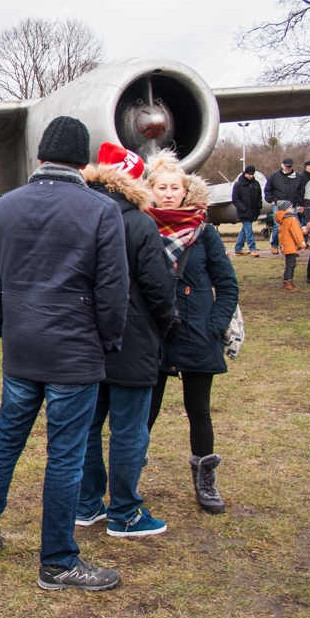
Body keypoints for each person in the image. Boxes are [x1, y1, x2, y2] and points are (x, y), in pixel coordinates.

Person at [0, 116, 128, 592]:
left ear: (40, 156)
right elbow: (113, 289)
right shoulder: (100, 210)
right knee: (65, 456)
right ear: (83, 161)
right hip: (74, 352)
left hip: (23, 346)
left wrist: (3, 324)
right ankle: (57, 560)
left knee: (6, 442)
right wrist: (107, 340)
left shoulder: (3, 208)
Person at [77, 143, 177, 538]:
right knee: (130, 428)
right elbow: (158, 286)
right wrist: (165, 323)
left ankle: (86, 503)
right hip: (132, 337)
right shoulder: (138, 222)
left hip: (85, 338)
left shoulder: (79, 216)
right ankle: (125, 512)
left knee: (87, 425)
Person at [145, 153, 239, 514]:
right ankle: (128, 478)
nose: (169, 194)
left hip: (198, 333)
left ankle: (205, 480)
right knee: (144, 412)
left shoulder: (205, 233)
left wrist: (214, 326)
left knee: (198, 410)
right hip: (157, 336)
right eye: (162, 188)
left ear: (186, 192)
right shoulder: (142, 228)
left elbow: (227, 284)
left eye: (175, 188)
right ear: (150, 190)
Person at [265, 158, 304, 253]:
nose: (287, 168)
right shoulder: (274, 176)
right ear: (282, 165)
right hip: (278, 204)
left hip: (292, 205)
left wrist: (301, 203)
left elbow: (301, 191)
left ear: (292, 166)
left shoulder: (297, 177)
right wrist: (271, 200)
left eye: (289, 166)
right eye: (286, 166)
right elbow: (268, 189)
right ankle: (274, 245)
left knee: (292, 225)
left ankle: (292, 247)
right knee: (277, 225)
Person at [231, 165, 263, 256]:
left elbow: (259, 197)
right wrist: (243, 209)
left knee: (245, 230)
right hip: (244, 212)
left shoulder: (256, 184)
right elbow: (235, 199)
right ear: (245, 173)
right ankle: (252, 248)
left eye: (252, 174)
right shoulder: (238, 185)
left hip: (253, 211)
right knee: (249, 230)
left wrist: (258, 207)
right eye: (249, 174)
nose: (251, 176)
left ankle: (238, 248)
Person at [274, 202, 305, 291]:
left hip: (285, 245)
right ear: (286, 209)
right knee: (291, 264)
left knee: (290, 263)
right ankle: (287, 281)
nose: (293, 209)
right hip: (290, 245)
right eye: (291, 207)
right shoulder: (291, 219)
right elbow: (296, 233)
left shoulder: (282, 219)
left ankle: (289, 281)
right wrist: (302, 244)